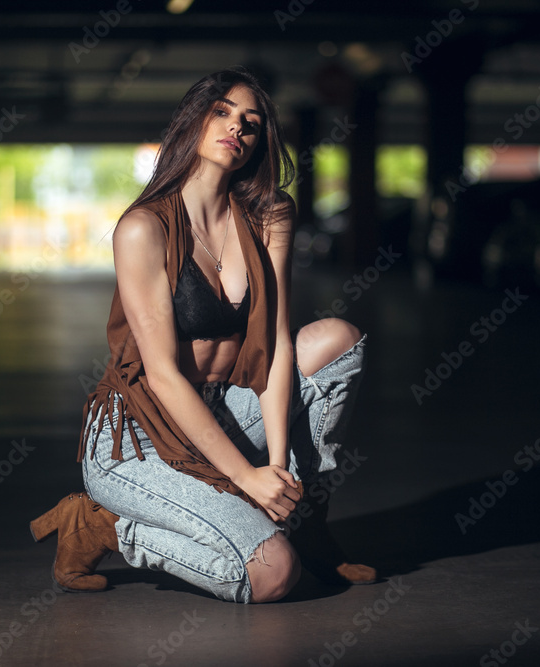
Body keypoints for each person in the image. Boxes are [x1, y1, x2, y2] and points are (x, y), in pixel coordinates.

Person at [30, 67, 375, 604]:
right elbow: (163, 375)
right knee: (273, 575)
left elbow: (278, 344)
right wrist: (246, 476)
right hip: (139, 441)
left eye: (251, 123)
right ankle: (104, 526)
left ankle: (302, 518)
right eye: (223, 112)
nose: (236, 128)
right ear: (193, 120)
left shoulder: (268, 217)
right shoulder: (144, 227)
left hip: (223, 414)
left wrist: (279, 472)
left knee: (336, 339)